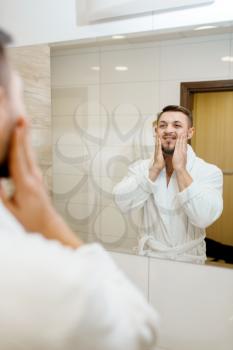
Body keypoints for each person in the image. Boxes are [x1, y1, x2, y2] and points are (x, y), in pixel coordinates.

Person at [0, 29, 159, 350]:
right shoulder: (50, 282)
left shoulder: (208, 172)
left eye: (178, 126)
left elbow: (207, 213)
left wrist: (182, 174)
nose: (24, 115)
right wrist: (48, 222)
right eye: (19, 94)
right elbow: (140, 331)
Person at [113, 105, 223, 264]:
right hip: (150, 259)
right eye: (163, 125)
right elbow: (122, 203)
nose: (168, 130)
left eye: (177, 125)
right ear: (156, 131)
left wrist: (181, 170)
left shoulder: (209, 172)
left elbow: (203, 218)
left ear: (190, 132)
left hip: (189, 261)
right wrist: (155, 169)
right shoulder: (142, 168)